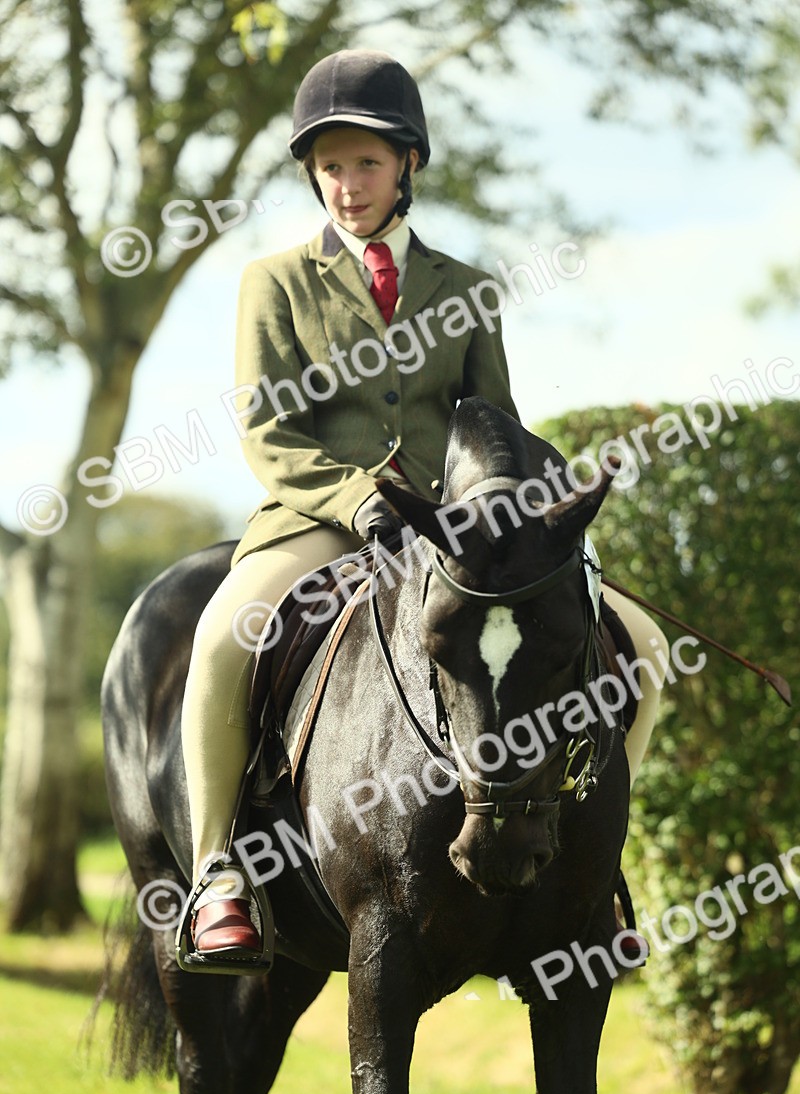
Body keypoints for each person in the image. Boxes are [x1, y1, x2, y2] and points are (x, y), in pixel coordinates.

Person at [178, 49, 668, 970]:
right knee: (221, 639)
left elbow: (494, 426)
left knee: (633, 643)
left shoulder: (467, 289)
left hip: (454, 538)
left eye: (365, 163)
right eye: (329, 167)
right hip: (317, 518)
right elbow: (269, 433)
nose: (346, 185)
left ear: (406, 165)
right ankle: (217, 875)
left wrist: (527, 511)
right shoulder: (273, 283)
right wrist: (359, 498)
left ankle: (591, 870)